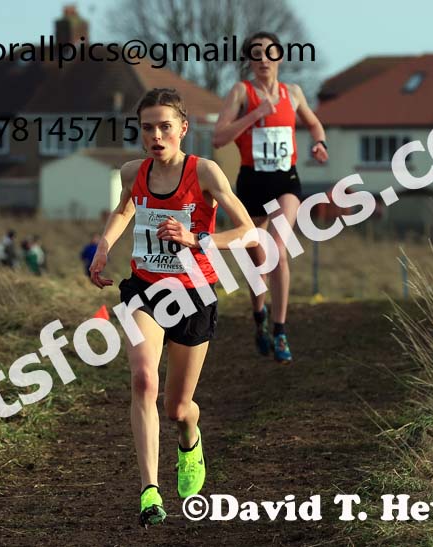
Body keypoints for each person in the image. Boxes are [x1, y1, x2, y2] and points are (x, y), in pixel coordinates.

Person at [89, 88, 255, 527]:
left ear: (183, 128)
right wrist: (104, 247)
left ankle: (189, 436)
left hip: (194, 292)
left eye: (165, 126)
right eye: (147, 128)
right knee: (143, 380)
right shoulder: (133, 172)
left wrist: (195, 239)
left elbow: (247, 231)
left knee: (177, 407)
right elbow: (123, 209)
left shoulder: (205, 172)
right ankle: (149, 491)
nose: (156, 135)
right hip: (144, 290)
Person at [212, 31, 329, 364]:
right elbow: (219, 137)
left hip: (285, 180)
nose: (263, 58)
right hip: (251, 183)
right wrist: (255, 113)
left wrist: (320, 144)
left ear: (279, 57)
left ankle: (280, 330)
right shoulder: (241, 92)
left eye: (269, 52)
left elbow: (316, 125)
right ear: (249, 60)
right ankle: (259, 316)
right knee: (257, 258)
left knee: (278, 248)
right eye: (256, 53)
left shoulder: (292, 93)